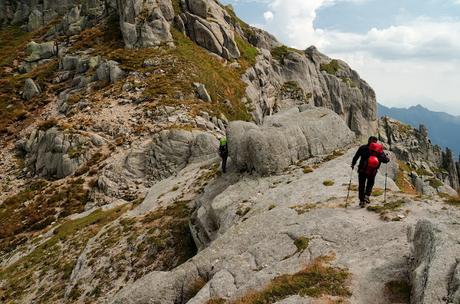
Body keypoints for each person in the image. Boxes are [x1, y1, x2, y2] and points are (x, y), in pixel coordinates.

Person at [351, 136, 389, 208]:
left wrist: (353, 164)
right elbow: (385, 160)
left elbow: (356, 156)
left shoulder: (363, 148)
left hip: (362, 170)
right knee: (370, 183)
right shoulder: (379, 150)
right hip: (373, 171)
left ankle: (362, 201)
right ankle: (367, 196)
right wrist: (386, 159)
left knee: (361, 185)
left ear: (368, 140)